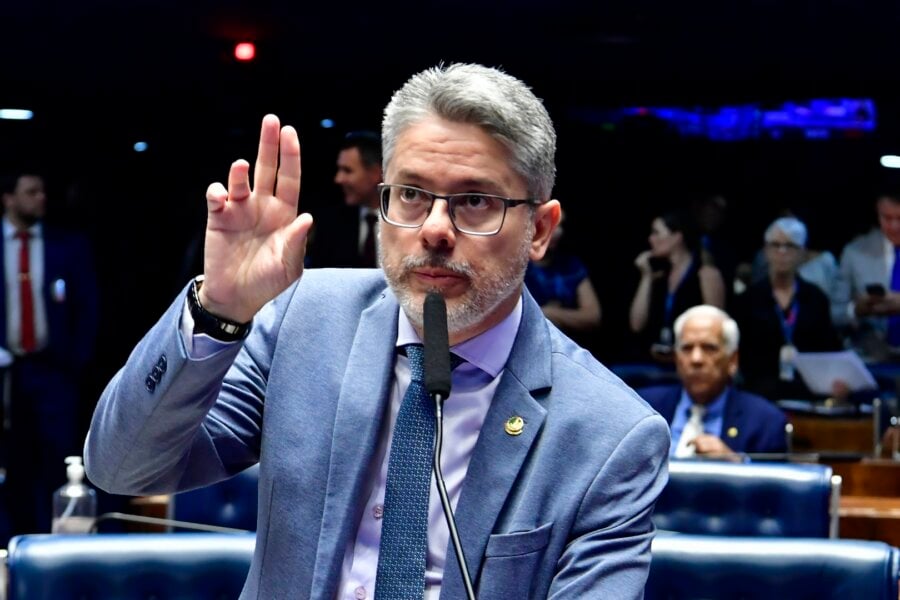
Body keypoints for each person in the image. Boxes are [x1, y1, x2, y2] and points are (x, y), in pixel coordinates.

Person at [84, 63, 669, 599]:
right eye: (411, 194)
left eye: (474, 201)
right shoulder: (302, 319)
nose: (435, 229)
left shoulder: (610, 435)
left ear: (540, 230)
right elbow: (122, 468)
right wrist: (219, 311)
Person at [0, 171, 99, 540]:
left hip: (53, 370)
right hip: (5, 370)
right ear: (8, 198)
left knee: (56, 458)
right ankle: (12, 543)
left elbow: (87, 308)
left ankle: (53, 542)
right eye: (30, 192)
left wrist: (75, 361)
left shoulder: (65, 245)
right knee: (12, 462)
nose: (40, 198)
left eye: (43, 191)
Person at [639, 305, 788, 458]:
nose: (696, 359)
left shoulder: (765, 421)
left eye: (709, 348)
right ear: (676, 358)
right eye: (687, 348)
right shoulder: (643, 407)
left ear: (732, 360)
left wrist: (735, 466)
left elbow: (771, 481)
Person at [733, 217, 845, 400]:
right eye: (775, 245)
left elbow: (829, 349)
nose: (782, 252)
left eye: (790, 246)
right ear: (766, 250)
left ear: (802, 253)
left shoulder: (816, 298)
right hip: (757, 393)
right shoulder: (747, 300)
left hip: (808, 392)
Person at [629, 208, 726, 362]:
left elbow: (715, 328)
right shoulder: (659, 276)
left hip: (691, 361)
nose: (650, 239)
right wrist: (646, 277)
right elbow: (636, 325)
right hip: (655, 359)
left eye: (656, 233)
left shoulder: (705, 274)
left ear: (677, 237)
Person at [837, 190, 900, 362]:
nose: (894, 226)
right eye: (887, 218)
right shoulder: (854, 252)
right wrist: (856, 310)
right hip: (870, 358)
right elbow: (835, 313)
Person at [310, 130, 384, 268]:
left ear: (375, 173)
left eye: (347, 170)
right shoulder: (330, 224)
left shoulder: (408, 221)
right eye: (339, 170)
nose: (338, 179)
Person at [524, 209, 601, 339]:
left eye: (561, 225)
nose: (559, 232)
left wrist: (549, 313)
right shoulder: (518, 268)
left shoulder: (572, 266)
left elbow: (593, 317)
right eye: (551, 224)